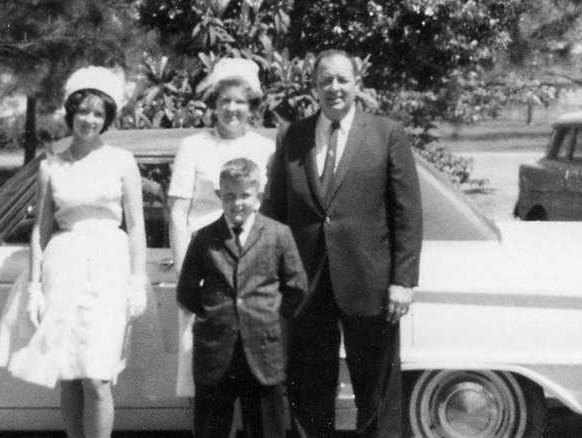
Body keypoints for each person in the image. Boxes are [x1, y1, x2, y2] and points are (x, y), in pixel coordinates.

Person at [262, 49, 423, 438]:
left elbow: (408, 213)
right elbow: (275, 212)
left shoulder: (387, 134)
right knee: (309, 390)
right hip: (306, 286)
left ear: (356, 84)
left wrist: (403, 280)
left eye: (341, 79)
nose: (333, 88)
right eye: (325, 80)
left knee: (377, 393)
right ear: (314, 86)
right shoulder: (293, 136)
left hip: (371, 284)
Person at [0, 66, 147, 438]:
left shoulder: (122, 161)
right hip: (63, 269)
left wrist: (138, 280)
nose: (89, 119)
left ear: (106, 118)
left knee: (96, 377)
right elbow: (41, 230)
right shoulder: (51, 165)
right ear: (71, 113)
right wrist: (34, 286)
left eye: (98, 113)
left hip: (108, 268)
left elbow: (136, 225)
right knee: (69, 374)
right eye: (83, 111)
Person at [177, 157, 308, 438]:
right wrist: (216, 310)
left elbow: (296, 288)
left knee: (265, 429)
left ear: (258, 196)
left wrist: (268, 315)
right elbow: (186, 291)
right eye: (229, 195)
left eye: (245, 195)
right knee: (211, 428)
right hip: (215, 350)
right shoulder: (204, 238)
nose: (237, 203)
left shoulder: (278, 234)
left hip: (263, 349)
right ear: (218, 196)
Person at [168, 58, 275, 396]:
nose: (232, 108)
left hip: (251, 264)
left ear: (251, 106)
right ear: (213, 104)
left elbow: (270, 213)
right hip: (206, 261)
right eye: (224, 100)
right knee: (205, 368)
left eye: (240, 101)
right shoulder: (193, 146)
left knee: (250, 365)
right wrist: (187, 273)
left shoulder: (265, 148)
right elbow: (177, 212)